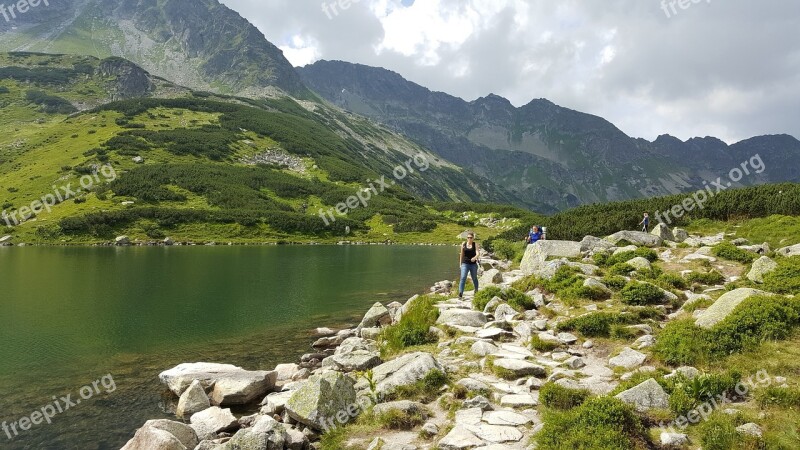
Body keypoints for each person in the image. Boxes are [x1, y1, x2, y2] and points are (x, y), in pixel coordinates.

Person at [458, 232, 480, 299]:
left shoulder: (475, 244)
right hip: (465, 263)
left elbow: (478, 253)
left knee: (474, 278)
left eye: (471, 237)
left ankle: (476, 291)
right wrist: (460, 264)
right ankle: (460, 294)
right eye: (468, 237)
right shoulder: (463, 244)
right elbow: (461, 254)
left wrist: (475, 258)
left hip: (473, 264)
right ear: (466, 238)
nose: (469, 239)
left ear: (473, 238)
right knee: (463, 278)